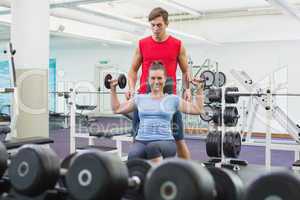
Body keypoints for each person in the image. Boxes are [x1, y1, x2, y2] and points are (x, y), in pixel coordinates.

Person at [125, 7, 193, 159]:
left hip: (169, 99)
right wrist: (131, 87)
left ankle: (187, 173)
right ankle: (138, 172)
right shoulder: (142, 44)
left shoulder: (177, 44)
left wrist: (187, 89)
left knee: (179, 138)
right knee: (137, 140)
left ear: (166, 24)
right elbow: (133, 70)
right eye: (152, 25)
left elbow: (186, 70)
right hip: (144, 98)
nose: (155, 29)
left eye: (159, 25)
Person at [110, 61, 204, 163]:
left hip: (165, 141)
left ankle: (157, 176)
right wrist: (113, 89)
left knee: (153, 147)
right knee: (133, 154)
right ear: (148, 80)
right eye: (153, 78)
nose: (156, 81)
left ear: (165, 79)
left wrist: (199, 89)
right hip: (141, 140)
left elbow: (197, 109)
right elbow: (117, 109)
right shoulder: (140, 99)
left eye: (159, 78)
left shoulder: (173, 99)